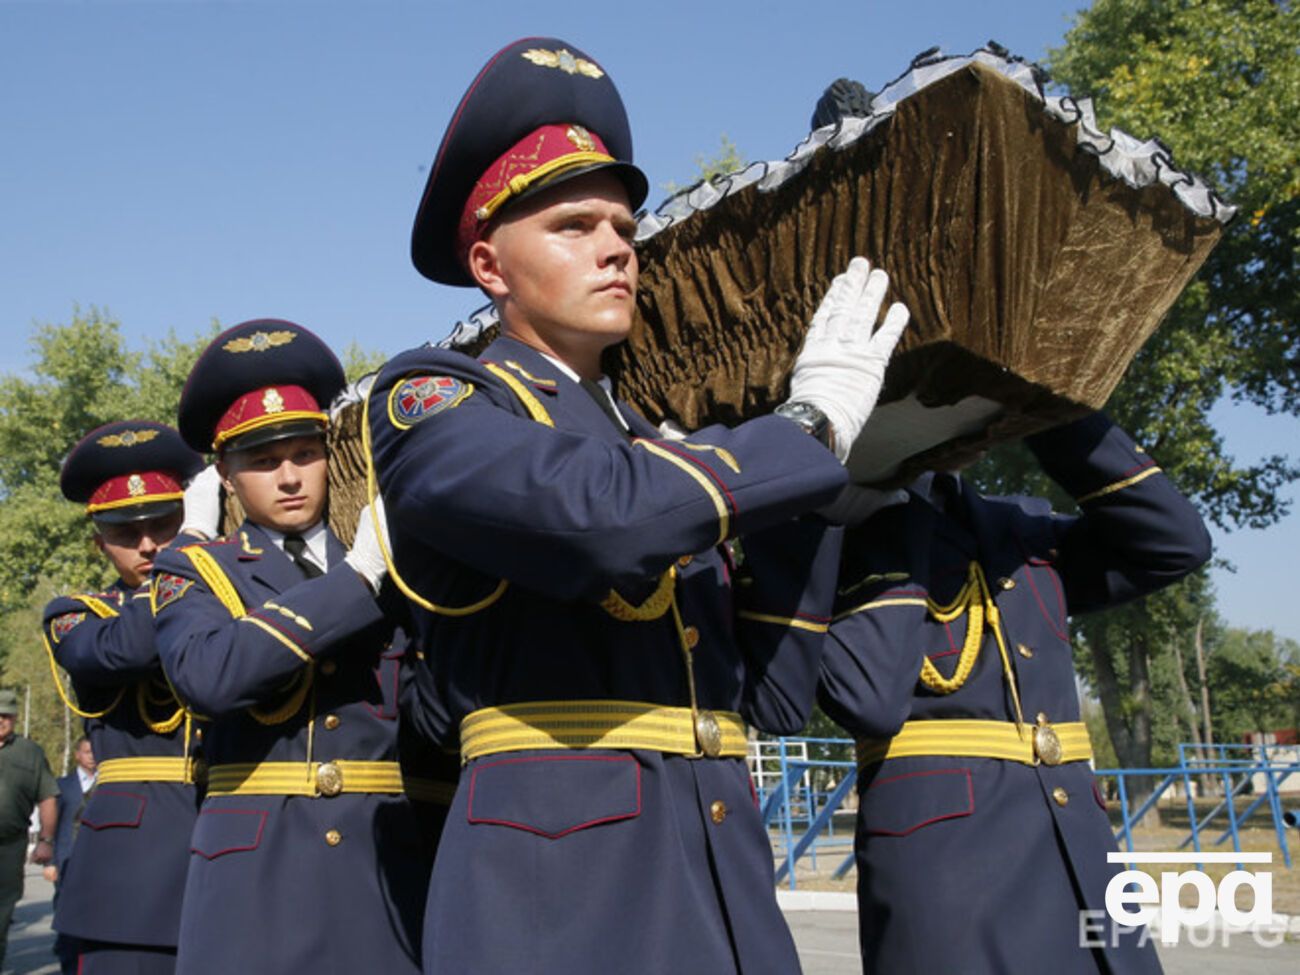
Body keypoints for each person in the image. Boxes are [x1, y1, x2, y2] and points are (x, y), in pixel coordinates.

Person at [366, 36, 909, 974]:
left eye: (623, 226)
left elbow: (772, 701)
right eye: (575, 225)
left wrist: (826, 490)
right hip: (561, 902)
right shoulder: (435, 403)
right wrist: (806, 428)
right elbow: (602, 520)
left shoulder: (664, 451)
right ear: (491, 267)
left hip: (722, 882)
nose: (617, 245)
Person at [817, 413, 1211, 973]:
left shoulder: (1018, 522)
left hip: (1079, 849)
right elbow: (867, 698)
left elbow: (1174, 544)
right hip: (951, 870)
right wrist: (885, 486)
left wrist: (1048, 413)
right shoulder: (835, 524)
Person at [151, 319, 433, 975]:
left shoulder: (387, 561)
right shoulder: (192, 570)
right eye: (262, 460)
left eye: (305, 452)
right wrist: (356, 582)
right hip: (259, 883)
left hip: (383, 872)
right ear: (224, 472)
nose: (288, 476)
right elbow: (210, 675)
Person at [42, 419, 214, 974]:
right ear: (99, 543)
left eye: (165, 524)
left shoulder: (229, 599)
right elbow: (128, 649)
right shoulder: (77, 615)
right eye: (125, 532)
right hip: (128, 884)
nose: (147, 544)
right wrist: (185, 554)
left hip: (233, 849)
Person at [0, 689, 58, 971]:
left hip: (9, 847)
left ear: (13, 718)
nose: (0, 720)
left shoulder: (30, 753)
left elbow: (47, 796)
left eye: (6, 715)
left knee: (2, 913)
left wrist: (46, 840)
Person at [47, 735, 95, 974]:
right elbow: (53, 825)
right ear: (77, 755)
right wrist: (51, 861)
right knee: (65, 910)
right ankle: (66, 954)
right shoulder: (63, 786)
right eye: (87, 752)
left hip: (95, 862)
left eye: (95, 751)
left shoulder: (106, 784)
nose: (92, 756)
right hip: (67, 858)